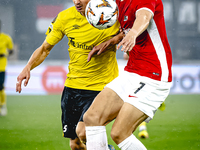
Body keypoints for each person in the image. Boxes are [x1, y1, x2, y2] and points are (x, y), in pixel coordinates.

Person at [15, 0, 123, 149]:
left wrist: (113, 40)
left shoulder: (111, 14)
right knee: (75, 144)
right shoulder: (65, 17)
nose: (77, 1)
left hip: (102, 88)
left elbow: (131, 33)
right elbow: (45, 48)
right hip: (72, 88)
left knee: (84, 132)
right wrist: (28, 66)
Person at [83, 0, 172, 149]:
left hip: (154, 75)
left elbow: (144, 16)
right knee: (92, 117)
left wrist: (133, 34)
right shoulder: (118, 3)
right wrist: (110, 41)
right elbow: (126, 29)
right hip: (132, 72)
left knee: (119, 133)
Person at [0, 20, 14, 116]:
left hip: (1, 67)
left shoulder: (6, 38)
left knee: (0, 87)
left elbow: (11, 50)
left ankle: (2, 105)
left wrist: (5, 54)